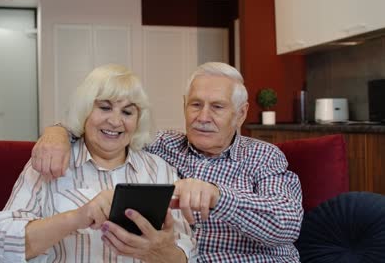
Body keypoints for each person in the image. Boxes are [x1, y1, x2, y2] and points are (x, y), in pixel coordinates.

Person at [32, 62, 304, 262]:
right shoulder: (161, 145)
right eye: (195, 105)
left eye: (217, 107)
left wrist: (219, 197)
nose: (203, 117)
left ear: (241, 113)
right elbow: (108, 129)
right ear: (185, 105)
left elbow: (288, 224)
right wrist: (57, 132)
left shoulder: (263, 156)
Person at [0, 64, 195, 263]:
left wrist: (162, 252)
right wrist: (77, 218)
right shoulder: (50, 161)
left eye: (127, 112)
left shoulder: (159, 170)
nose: (115, 121)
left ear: (138, 120)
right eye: (105, 108)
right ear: (85, 111)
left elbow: (188, 250)